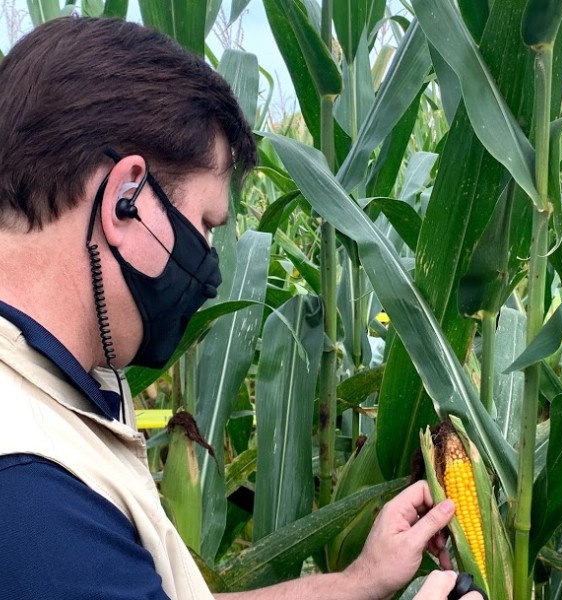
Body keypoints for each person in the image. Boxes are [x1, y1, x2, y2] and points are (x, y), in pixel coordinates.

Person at [0, 17, 482, 600]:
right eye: (204, 226)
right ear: (126, 201)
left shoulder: (46, 390)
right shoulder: (30, 495)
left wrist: (358, 582)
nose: (207, 261)